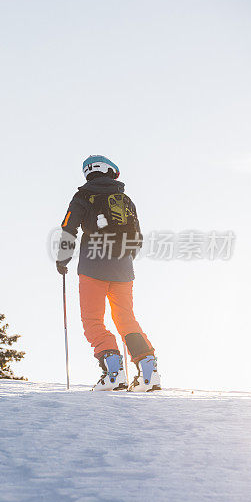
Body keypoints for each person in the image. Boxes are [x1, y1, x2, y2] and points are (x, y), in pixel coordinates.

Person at [56, 156, 161, 392]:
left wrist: (63, 260)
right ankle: (148, 372)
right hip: (123, 268)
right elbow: (137, 238)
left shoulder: (82, 197)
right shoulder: (125, 199)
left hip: (92, 268)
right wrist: (124, 259)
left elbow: (68, 229)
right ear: (111, 171)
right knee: (126, 319)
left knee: (93, 320)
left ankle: (114, 373)